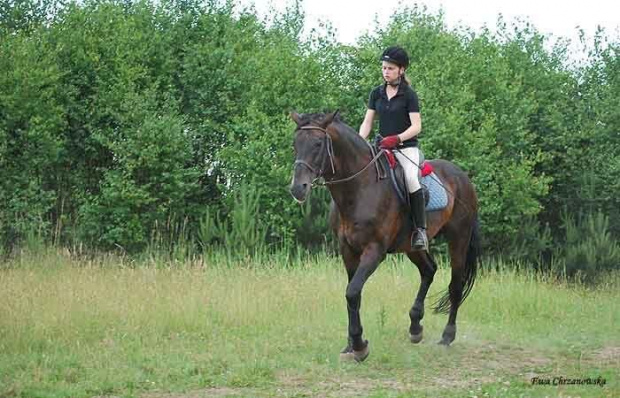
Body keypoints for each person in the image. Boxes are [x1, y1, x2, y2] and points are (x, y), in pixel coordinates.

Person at [358, 46, 427, 251]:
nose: (385, 72)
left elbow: (416, 126)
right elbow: (367, 122)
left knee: (411, 179)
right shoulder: (376, 94)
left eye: (390, 68)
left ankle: (420, 231)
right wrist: (360, 142)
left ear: (401, 70)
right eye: (384, 68)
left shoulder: (409, 95)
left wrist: (396, 138)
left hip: (406, 149)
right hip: (381, 148)